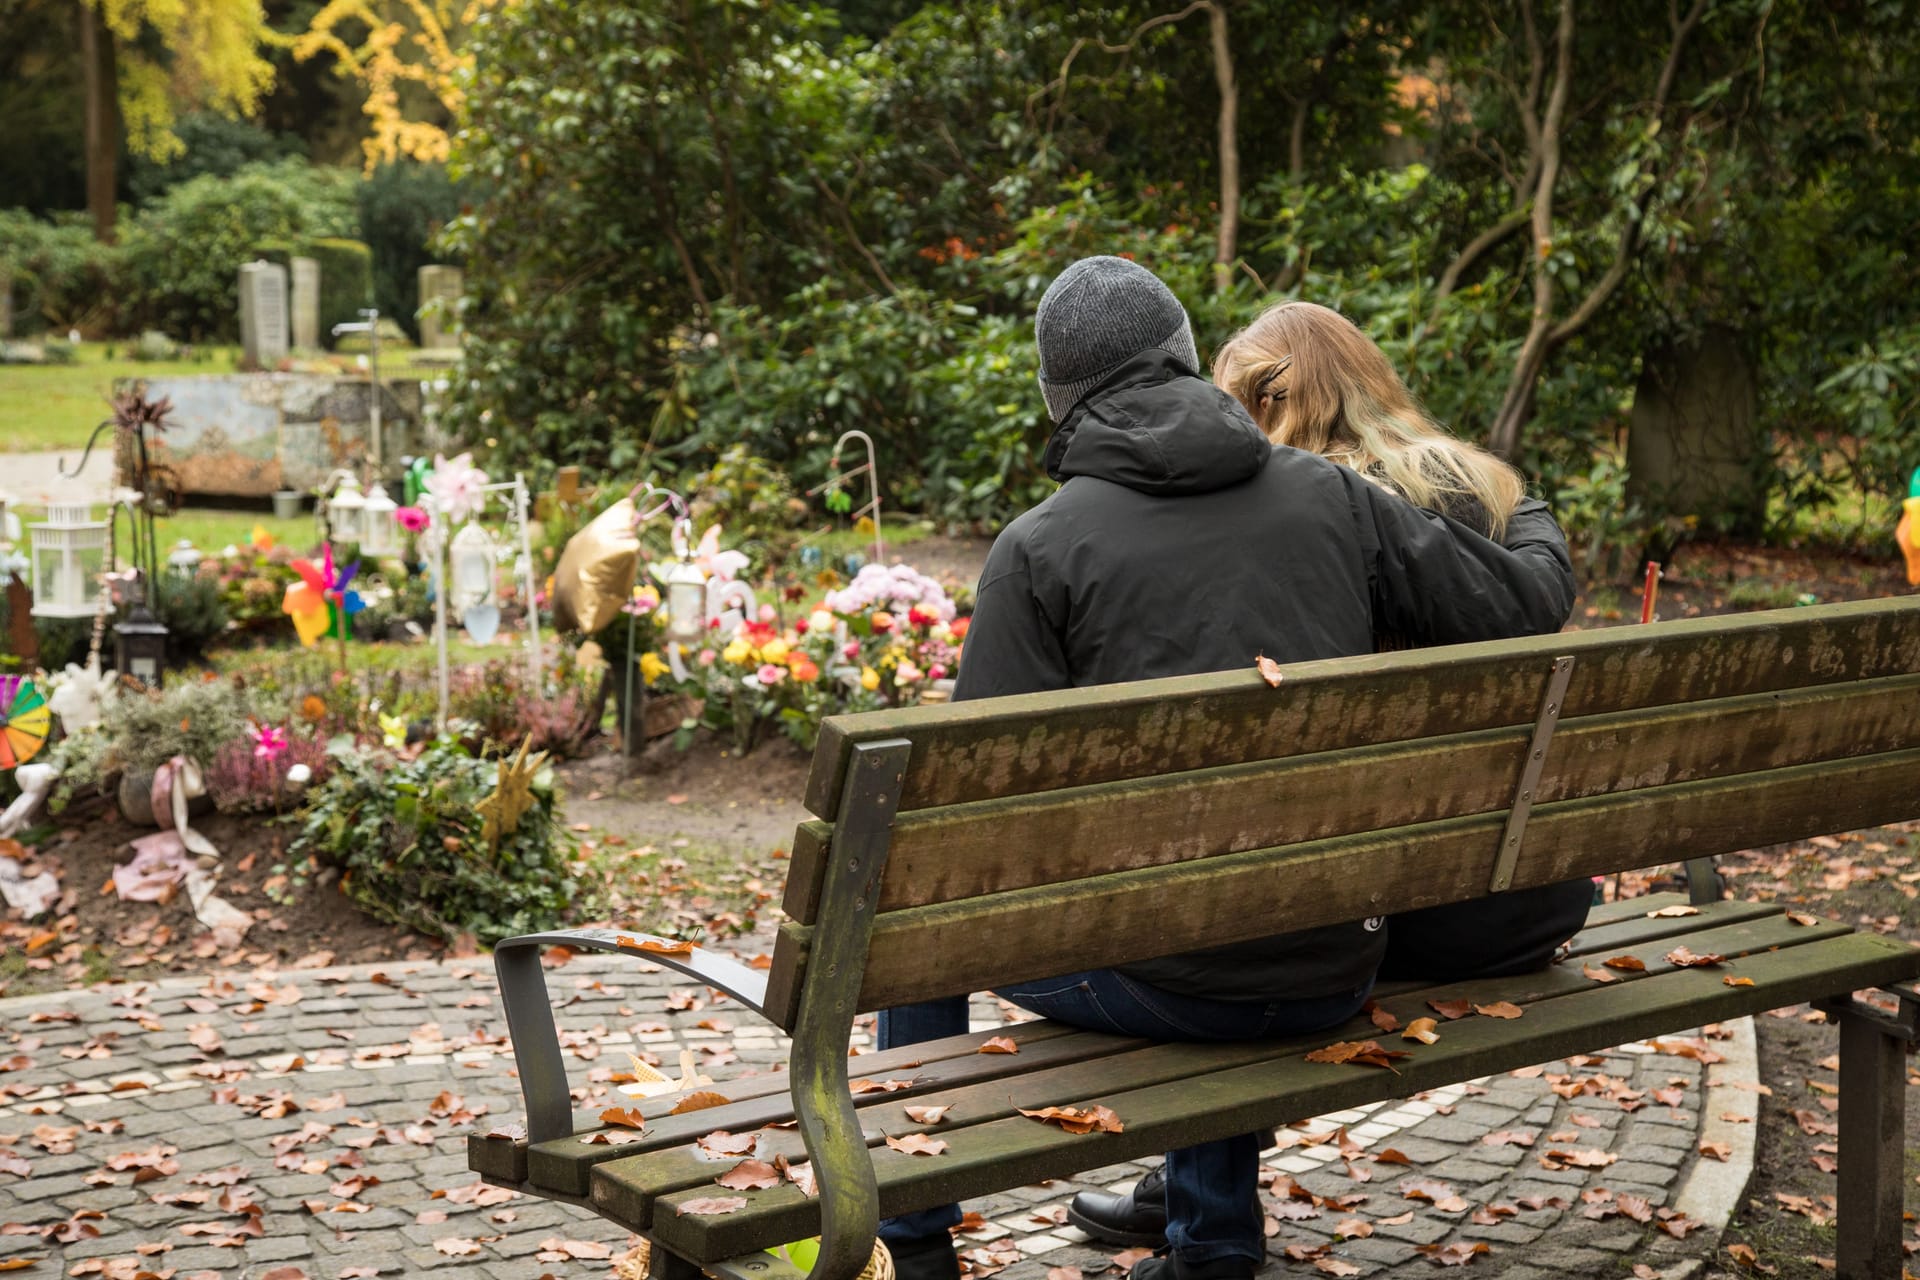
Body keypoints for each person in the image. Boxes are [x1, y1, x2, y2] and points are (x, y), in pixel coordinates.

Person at [880, 258, 1578, 1280]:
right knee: (1218, 894)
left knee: (917, 908)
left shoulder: (1039, 549)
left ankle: (918, 1243)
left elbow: (972, 817)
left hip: (1176, 973)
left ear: (1061, 396)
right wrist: (1520, 504)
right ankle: (1209, 1239)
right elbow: (1517, 605)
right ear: (1185, 358)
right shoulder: (1337, 497)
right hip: (1337, 953)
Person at [1066, 299, 1594, 1258]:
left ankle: (1198, 1209)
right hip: (1534, 897)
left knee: (1241, 902)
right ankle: (1184, 1195)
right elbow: (1532, 598)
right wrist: (1533, 510)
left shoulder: (1304, 513)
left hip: (1399, 915)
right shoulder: (1481, 489)